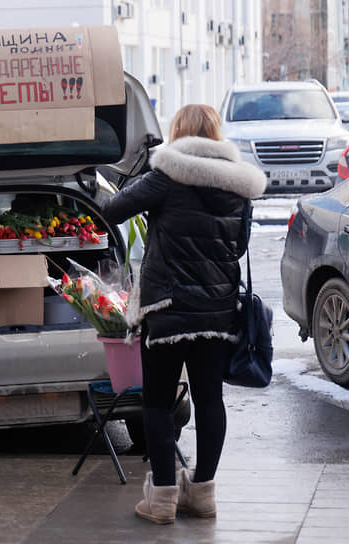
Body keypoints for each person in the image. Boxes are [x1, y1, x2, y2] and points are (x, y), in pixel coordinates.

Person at [100, 104, 266, 524]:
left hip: (167, 309)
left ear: (178, 133)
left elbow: (112, 211)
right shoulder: (238, 186)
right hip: (217, 310)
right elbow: (240, 244)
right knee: (211, 399)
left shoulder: (165, 177)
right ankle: (204, 494)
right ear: (216, 134)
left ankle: (161, 500)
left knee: (157, 403)